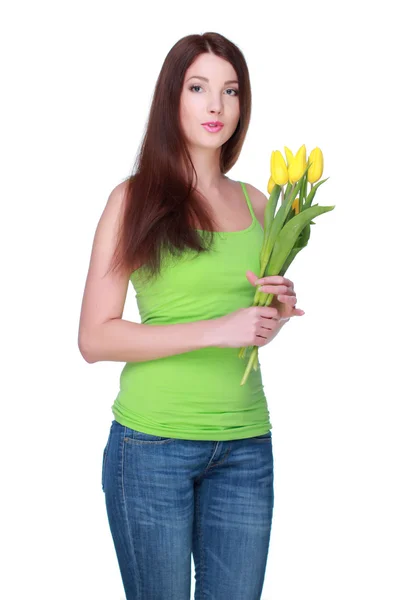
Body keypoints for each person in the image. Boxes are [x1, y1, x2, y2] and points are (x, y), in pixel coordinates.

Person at [78, 32, 305, 600]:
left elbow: (247, 327)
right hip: (152, 447)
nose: (216, 106)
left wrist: (269, 317)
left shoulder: (259, 204)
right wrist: (218, 329)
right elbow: (94, 337)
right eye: (198, 88)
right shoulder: (133, 200)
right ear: (170, 100)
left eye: (231, 91)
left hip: (247, 446)